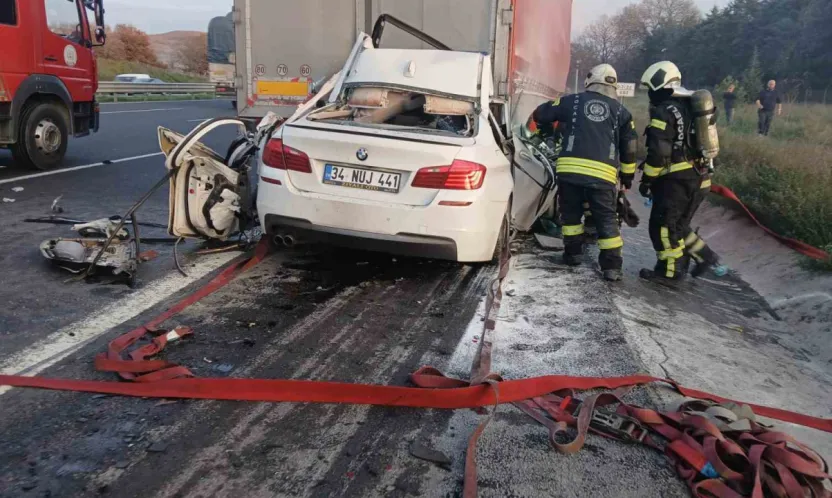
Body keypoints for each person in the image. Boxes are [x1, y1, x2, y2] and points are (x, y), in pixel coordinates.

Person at [533, 63, 638, 282]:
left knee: (571, 216)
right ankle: (612, 268)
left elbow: (541, 114)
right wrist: (627, 177)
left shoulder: (572, 101)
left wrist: (548, 134)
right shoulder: (622, 112)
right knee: (606, 220)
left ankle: (573, 256)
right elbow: (629, 149)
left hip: (569, 173)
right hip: (603, 176)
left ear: (590, 80)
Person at [638, 61, 721, 284]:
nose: (650, 93)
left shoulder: (664, 111)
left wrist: (647, 180)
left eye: (650, 88)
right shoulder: (692, 106)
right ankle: (705, 256)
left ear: (660, 85)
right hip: (701, 176)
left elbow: (658, 153)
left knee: (663, 226)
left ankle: (670, 273)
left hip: (676, 181)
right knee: (678, 225)